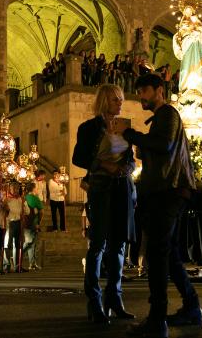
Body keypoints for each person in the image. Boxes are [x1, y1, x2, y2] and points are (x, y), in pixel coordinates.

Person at [123, 73, 202, 338]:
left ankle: (158, 321)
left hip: (169, 191)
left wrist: (132, 135)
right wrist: (143, 148)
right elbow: (159, 149)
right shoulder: (161, 118)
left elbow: (164, 144)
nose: (141, 96)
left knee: (157, 255)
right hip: (168, 190)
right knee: (169, 254)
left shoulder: (168, 113)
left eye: (144, 90)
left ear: (159, 90)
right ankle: (192, 307)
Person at [72, 83, 137, 325]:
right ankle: (94, 301)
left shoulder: (125, 128)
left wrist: (124, 168)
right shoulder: (89, 128)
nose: (119, 104)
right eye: (114, 100)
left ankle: (115, 298)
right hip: (101, 189)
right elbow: (78, 157)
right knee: (98, 243)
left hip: (122, 188)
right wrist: (101, 165)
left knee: (119, 245)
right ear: (103, 102)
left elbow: (131, 159)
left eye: (120, 100)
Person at [173, 4, 202, 104]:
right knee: (186, 67)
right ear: (184, 12)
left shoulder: (196, 20)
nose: (188, 12)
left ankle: (196, 89)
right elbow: (179, 36)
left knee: (196, 66)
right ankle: (185, 89)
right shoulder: (182, 24)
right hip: (186, 44)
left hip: (195, 44)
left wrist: (197, 30)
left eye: (190, 10)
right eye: (186, 10)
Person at [24, 182, 44, 270]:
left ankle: (32, 263)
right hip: (33, 223)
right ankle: (17, 255)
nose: (37, 189)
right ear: (33, 189)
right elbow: (41, 211)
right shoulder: (35, 198)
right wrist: (39, 223)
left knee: (31, 243)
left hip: (25, 223)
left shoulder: (24, 197)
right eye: (36, 188)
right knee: (30, 242)